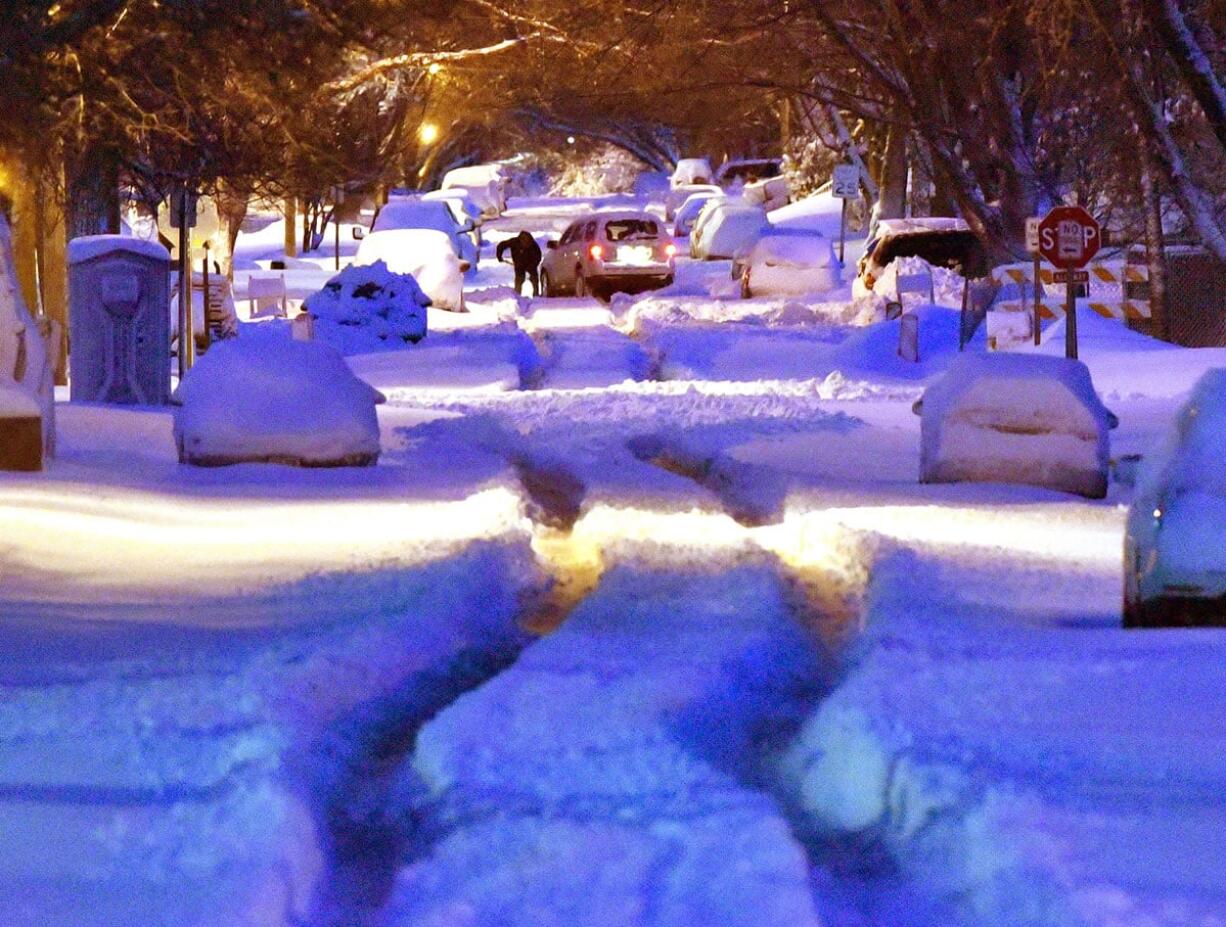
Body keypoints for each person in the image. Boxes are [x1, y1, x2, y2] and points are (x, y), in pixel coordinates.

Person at [496, 230, 543, 297]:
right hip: (519, 265)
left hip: (531, 264)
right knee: (519, 280)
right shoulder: (514, 242)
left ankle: (536, 295)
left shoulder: (534, 245)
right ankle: (517, 295)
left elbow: (538, 256)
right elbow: (501, 246)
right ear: (520, 240)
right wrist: (499, 257)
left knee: (534, 279)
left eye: (528, 243)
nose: (526, 244)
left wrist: (533, 265)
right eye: (524, 242)